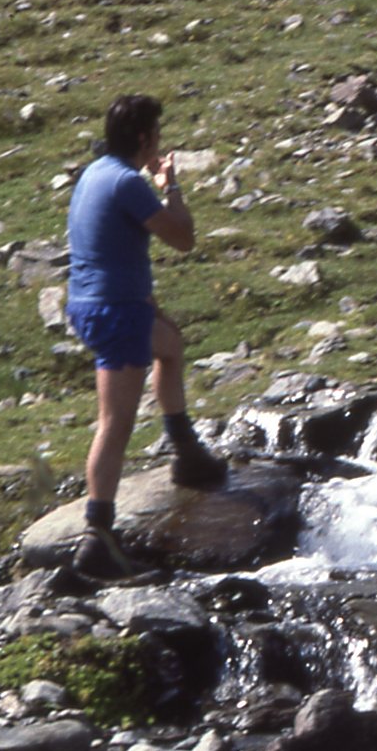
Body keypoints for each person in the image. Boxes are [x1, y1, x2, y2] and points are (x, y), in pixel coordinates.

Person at [65, 91, 228, 580]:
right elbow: (183, 238)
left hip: (98, 302)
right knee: (115, 422)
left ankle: (187, 453)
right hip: (115, 311)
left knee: (170, 345)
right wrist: (170, 185)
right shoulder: (127, 183)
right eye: (157, 132)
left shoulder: (96, 172)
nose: (159, 139)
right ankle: (97, 537)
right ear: (144, 138)